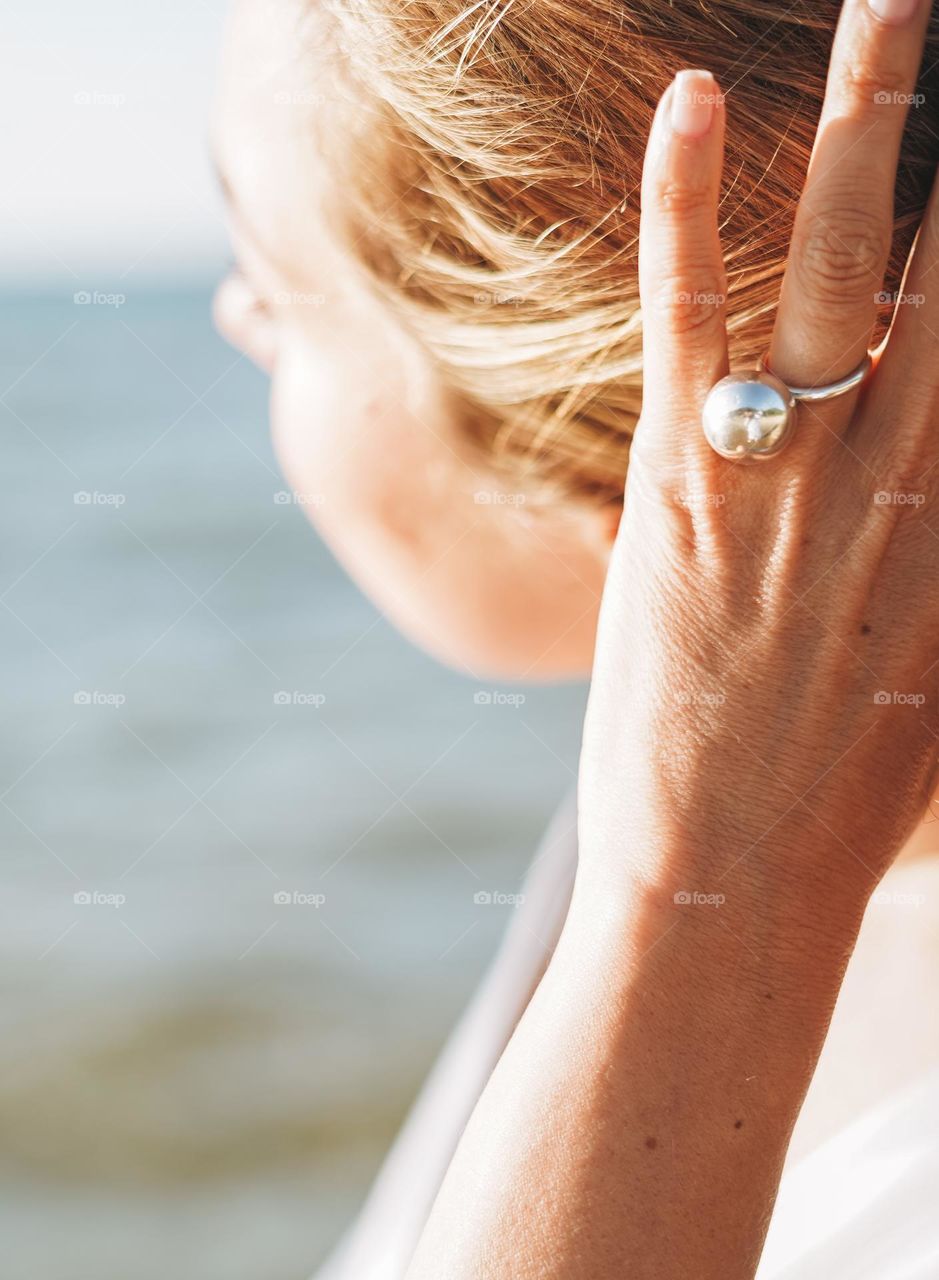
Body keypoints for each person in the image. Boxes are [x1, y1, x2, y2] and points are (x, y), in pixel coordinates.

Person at [213, 0, 939, 1274]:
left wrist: (702, 898)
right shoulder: (642, 808)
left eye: (279, 289)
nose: (236, 316)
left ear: (634, 473)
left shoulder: (683, 864)